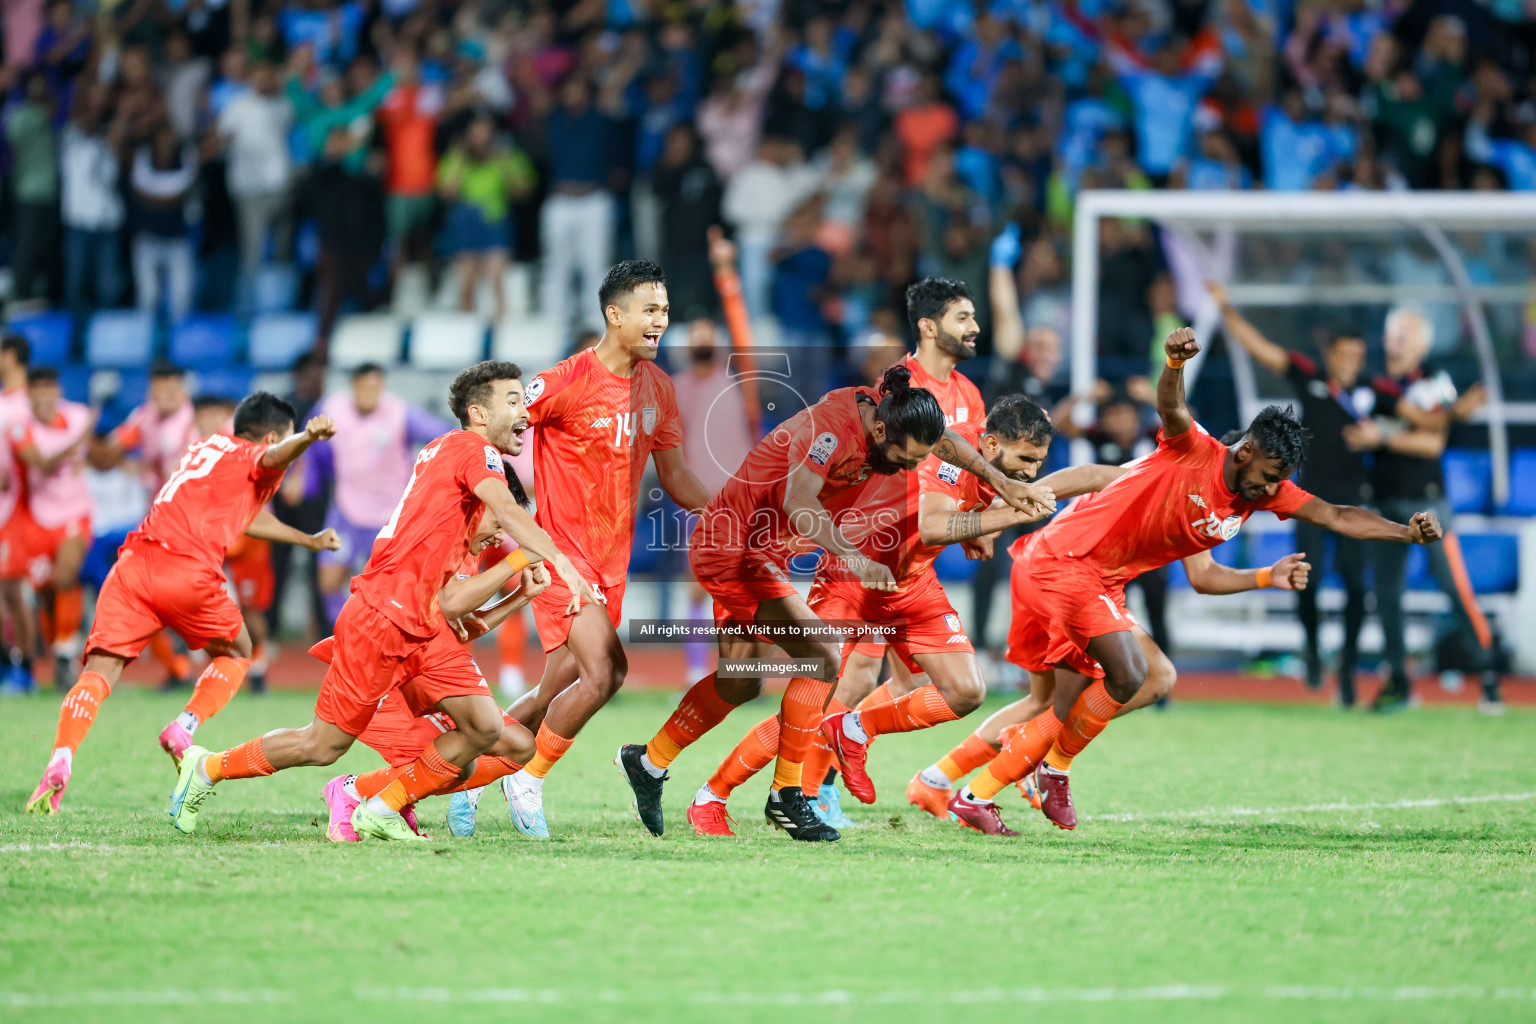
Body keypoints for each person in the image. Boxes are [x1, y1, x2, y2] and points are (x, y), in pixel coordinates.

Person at [944, 328, 1445, 836]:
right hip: (1069, 561)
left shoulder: (1259, 494)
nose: (1271, 489)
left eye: (1279, 481)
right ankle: (1029, 773)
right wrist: (1173, 362)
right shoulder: (1194, 450)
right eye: (1268, 474)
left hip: (1103, 579)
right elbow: (1171, 406)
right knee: (1122, 677)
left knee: (1124, 684)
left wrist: (1403, 533)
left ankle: (976, 784)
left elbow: (1335, 515)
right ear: (1246, 450)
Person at [615, 360, 1053, 842]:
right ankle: (786, 796)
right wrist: (853, 557)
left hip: (779, 555)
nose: (908, 472)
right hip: (737, 549)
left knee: (741, 683)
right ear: (881, 430)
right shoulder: (831, 429)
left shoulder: (893, 415)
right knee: (822, 656)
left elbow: (943, 444)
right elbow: (799, 501)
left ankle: (649, 762)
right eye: (904, 460)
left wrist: (1004, 482)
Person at [166, 363, 595, 842]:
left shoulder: (451, 466)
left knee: (489, 729)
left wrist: (518, 585)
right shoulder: (472, 450)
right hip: (384, 617)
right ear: (477, 413)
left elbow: (458, 608)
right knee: (323, 744)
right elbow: (508, 513)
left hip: (419, 626)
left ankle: (383, 805)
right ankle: (209, 767)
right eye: (513, 401)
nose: (525, 410)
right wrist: (558, 561)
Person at [24, 393, 339, 814]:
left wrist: (307, 539)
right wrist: (306, 438)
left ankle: (61, 757)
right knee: (239, 652)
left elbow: (250, 514)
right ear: (267, 434)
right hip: (187, 571)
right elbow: (272, 457)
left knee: (99, 672)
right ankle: (184, 726)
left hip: (134, 564)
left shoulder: (204, 447)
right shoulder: (258, 454)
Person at [489, 261, 710, 839]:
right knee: (607, 670)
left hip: (611, 563)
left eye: (665, 310)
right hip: (560, 556)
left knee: (549, 693)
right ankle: (528, 777)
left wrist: (727, 515)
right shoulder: (565, 380)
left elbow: (678, 475)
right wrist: (495, 505)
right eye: (650, 310)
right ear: (615, 316)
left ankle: (454, 774)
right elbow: (491, 431)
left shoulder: (658, 388)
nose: (661, 321)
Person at [1211, 282, 1373, 700]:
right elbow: (1263, 350)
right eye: (1345, 353)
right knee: (1309, 580)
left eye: (1357, 354)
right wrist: (1227, 310)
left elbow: (1413, 421)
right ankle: (1315, 652)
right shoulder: (1311, 377)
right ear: (1330, 353)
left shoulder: (1375, 392)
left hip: (1355, 500)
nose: (1351, 360)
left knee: (1357, 586)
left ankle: (1351, 669)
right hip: (1309, 501)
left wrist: (1381, 435)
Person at [1343, 308, 1501, 713]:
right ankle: (1398, 680)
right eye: (1395, 331)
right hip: (1384, 502)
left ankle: (1488, 674)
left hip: (1427, 501)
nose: (1398, 339)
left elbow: (1432, 442)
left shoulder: (1433, 381)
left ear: (1423, 343)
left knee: (1452, 586)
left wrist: (1382, 437)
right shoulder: (1374, 383)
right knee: (1387, 596)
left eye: (1408, 334)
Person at [304, 363, 455, 629]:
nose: (370, 393)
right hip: (346, 509)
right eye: (365, 386)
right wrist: (304, 479)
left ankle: (393, 636)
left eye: (376, 386)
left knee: (396, 587)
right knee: (328, 580)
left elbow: (443, 435)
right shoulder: (332, 410)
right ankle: (350, 632)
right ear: (354, 386)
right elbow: (308, 442)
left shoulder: (399, 413)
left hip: (390, 514)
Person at [11, 367, 94, 690]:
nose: (44, 395)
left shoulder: (78, 415)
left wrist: (98, 449)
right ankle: (61, 649)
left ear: (58, 390)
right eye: (37, 389)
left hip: (75, 512)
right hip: (38, 517)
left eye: (49, 387)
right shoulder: (20, 428)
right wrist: (76, 441)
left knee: (65, 575)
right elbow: (39, 463)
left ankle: (63, 652)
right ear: (29, 394)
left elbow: (98, 452)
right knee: (46, 592)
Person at [0, 334, 38, 692]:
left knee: (13, 589)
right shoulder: (5, 402)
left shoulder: (26, 405)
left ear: (10, 356)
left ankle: (25, 666)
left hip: (19, 508)